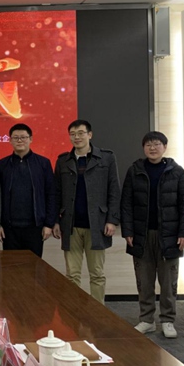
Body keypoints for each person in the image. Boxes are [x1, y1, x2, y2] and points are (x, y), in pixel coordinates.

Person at [121, 131, 184, 339]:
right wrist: (128, 231)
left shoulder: (176, 172)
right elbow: (126, 203)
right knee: (144, 280)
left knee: (168, 281)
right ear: (143, 148)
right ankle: (147, 320)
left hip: (169, 236)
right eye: (149, 144)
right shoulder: (134, 171)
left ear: (165, 147)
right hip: (141, 235)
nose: (153, 148)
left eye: (157, 144)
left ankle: (168, 321)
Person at [53, 119, 120, 304]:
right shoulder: (63, 161)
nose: (77, 137)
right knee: (72, 274)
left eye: (81, 133)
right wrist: (55, 221)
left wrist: (112, 220)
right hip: (71, 226)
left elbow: (114, 190)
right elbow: (56, 192)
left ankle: (97, 312)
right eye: (73, 134)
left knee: (97, 273)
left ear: (90, 135)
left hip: (97, 225)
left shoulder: (106, 158)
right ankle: (74, 312)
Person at [0, 123, 56, 258]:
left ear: (31, 139)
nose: (19, 141)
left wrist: (49, 224)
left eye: (23, 137)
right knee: (11, 266)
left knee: (34, 266)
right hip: (9, 228)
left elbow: (51, 194)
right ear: (10, 140)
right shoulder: (2, 164)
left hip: (35, 227)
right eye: (16, 137)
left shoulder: (43, 163)